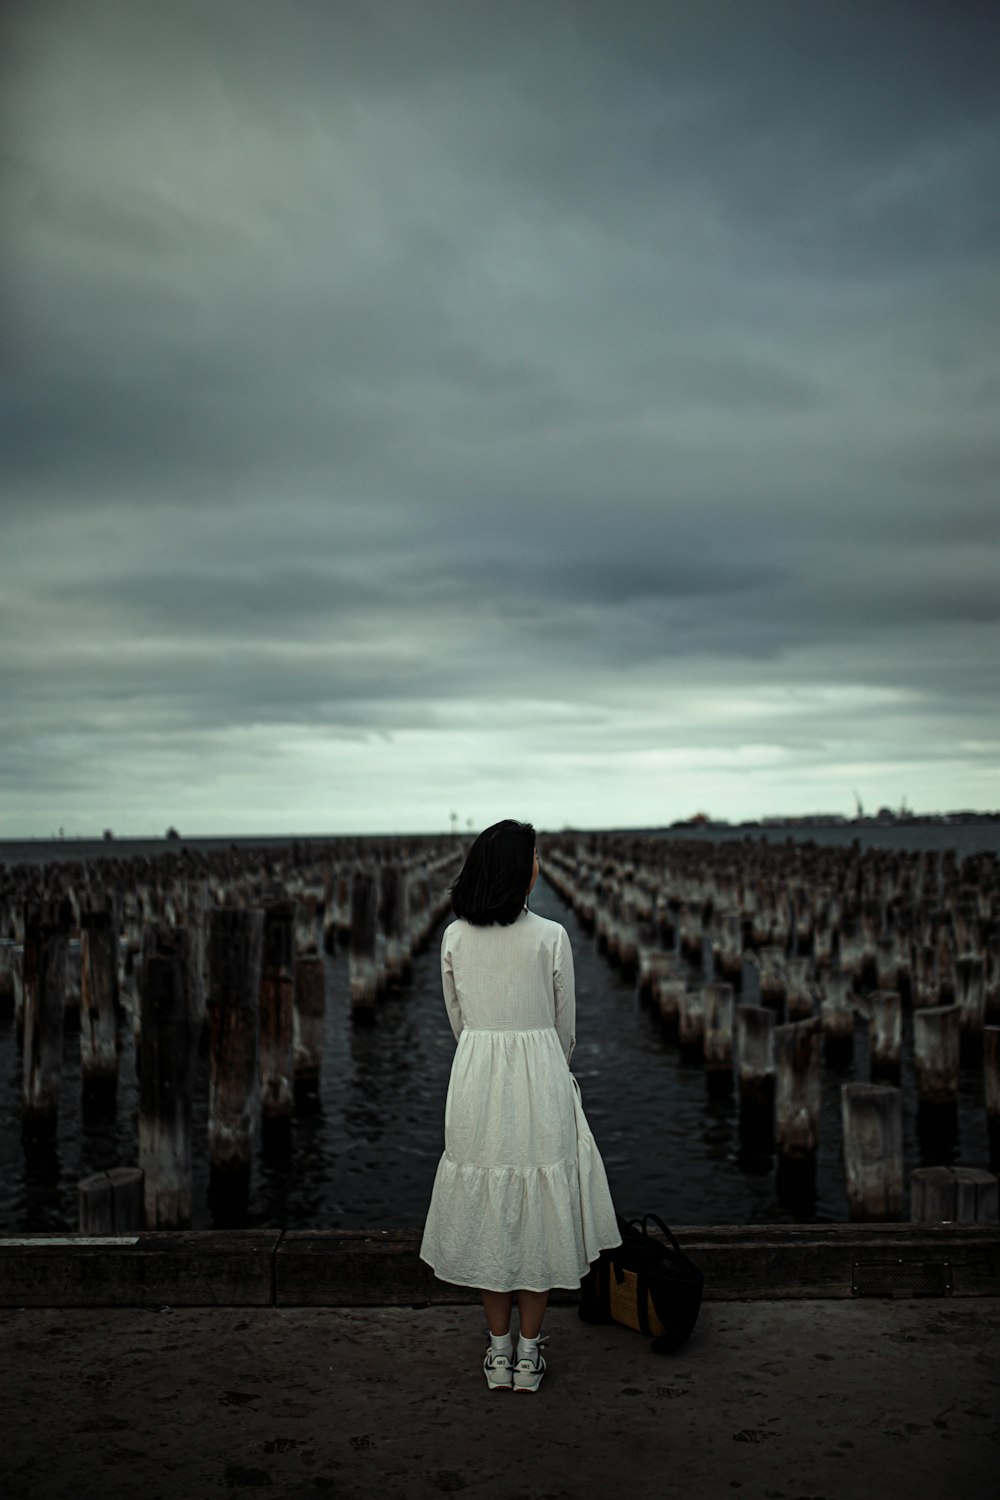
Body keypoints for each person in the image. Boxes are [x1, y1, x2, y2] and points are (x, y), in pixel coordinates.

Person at [419, 819, 621, 1392]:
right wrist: (541, 1062)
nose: (539, 862)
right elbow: (566, 1029)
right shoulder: (551, 936)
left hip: (477, 1077)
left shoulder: (454, 936)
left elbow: (458, 1018)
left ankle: (498, 1349)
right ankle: (530, 1355)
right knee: (538, 1213)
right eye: (534, 854)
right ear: (519, 868)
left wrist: (487, 1051)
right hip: (541, 1076)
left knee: (490, 1209)